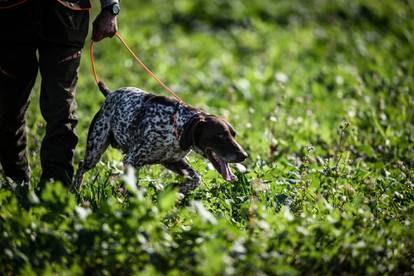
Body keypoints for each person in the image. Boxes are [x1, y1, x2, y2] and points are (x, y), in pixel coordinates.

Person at [0, 0, 120, 192]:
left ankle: (55, 192)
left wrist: (110, 7)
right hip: (11, 15)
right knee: (8, 110)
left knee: (61, 111)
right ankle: (17, 184)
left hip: (66, 14)